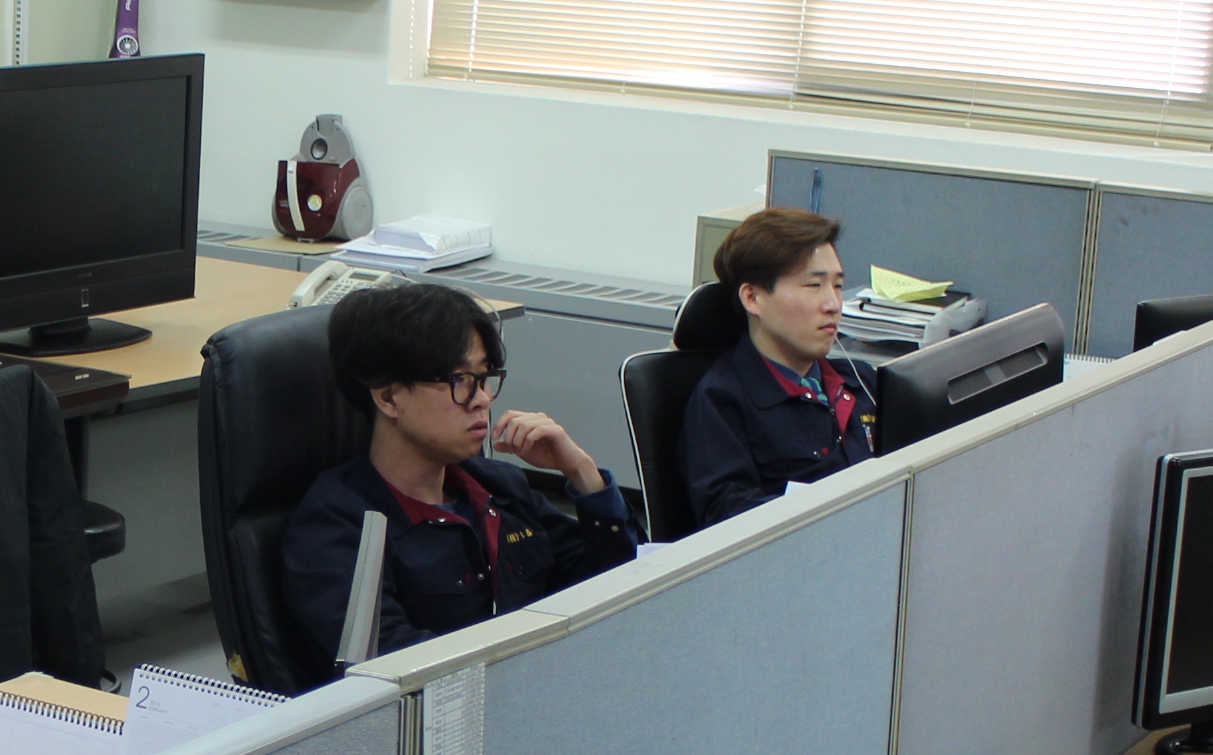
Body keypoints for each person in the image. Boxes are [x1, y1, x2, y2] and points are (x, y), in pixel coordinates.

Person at [281, 279, 639, 665]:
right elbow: (393, 668)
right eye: (459, 380)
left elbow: (615, 591)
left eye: (484, 378)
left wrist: (581, 471)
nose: (481, 399)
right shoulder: (337, 527)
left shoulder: (498, 488)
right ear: (389, 398)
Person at [676, 207, 879, 529]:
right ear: (753, 298)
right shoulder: (721, 400)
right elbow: (727, 517)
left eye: (838, 286)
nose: (832, 304)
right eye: (813, 285)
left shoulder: (860, 381)